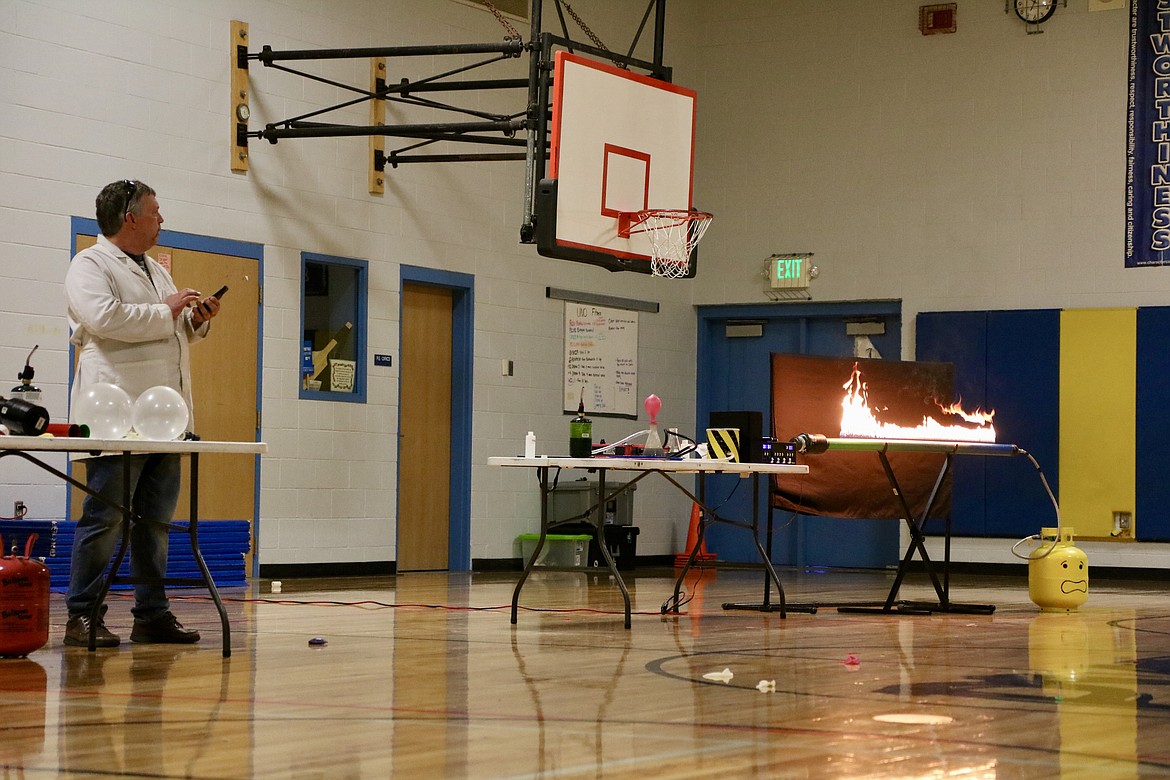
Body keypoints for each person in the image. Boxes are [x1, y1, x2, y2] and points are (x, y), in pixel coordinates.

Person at [63, 179, 223, 647]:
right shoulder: (89, 264)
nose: (162, 219)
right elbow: (104, 319)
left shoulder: (155, 268)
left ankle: (151, 615)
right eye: (155, 211)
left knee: (155, 523)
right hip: (114, 414)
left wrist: (193, 320)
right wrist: (166, 308)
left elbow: (167, 328)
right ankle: (82, 616)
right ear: (129, 217)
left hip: (163, 420)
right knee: (105, 518)